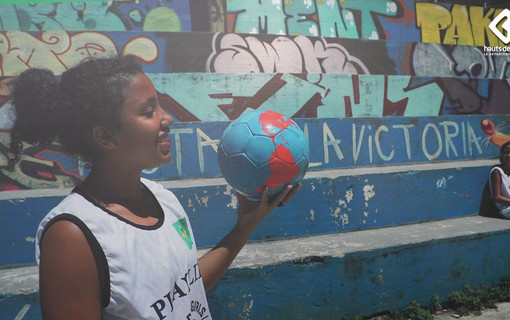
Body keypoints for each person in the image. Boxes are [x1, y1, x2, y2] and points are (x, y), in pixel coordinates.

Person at [8, 55, 300, 320]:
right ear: (107, 136)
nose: (167, 118)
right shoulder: (73, 235)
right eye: (149, 111)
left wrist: (245, 226)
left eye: (160, 104)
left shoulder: (162, 197)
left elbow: (184, 288)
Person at [489, 140, 510, 219]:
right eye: (506, 152)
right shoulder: (497, 172)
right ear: (501, 154)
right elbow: (497, 197)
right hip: (506, 209)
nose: (508, 155)